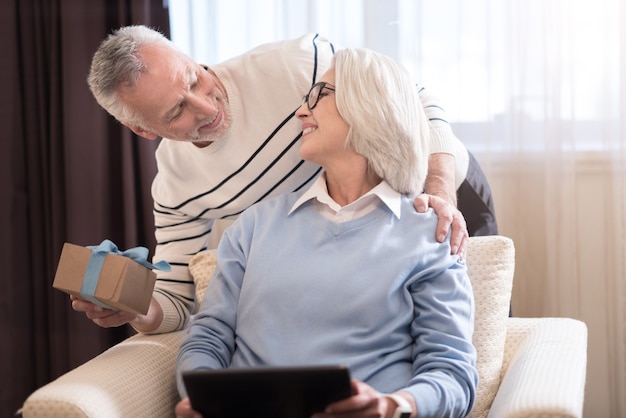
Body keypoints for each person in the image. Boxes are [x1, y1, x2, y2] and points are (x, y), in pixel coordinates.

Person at [72, 25, 496, 334]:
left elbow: (413, 97)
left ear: (187, 56)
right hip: (350, 229)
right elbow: (176, 298)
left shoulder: (294, 65)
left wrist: (438, 190)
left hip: (437, 179)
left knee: (480, 324)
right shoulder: (177, 187)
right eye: (176, 112)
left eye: (194, 78)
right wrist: (134, 309)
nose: (205, 106)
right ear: (145, 131)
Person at [175, 48, 477, 418]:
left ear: (371, 104)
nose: (302, 110)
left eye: (320, 95)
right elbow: (208, 337)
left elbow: (452, 373)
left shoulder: (429, 234)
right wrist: (202, 396)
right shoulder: (254, 226)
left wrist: (392, 406)